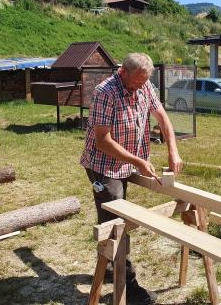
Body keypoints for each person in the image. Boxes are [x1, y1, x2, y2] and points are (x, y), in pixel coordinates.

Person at [81, 52, 183, 304]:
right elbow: (103, 141)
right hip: (103, 165)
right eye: (137, 82)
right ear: (123, 72)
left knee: (113, 217)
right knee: (117, 221)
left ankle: (108, 268)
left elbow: (162, 118)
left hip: (127, 162)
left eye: (143, 82)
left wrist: (173, 150)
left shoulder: (144, 84)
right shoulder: (105, 92)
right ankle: (129, 285)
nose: (140, 87)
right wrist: (137, 161)